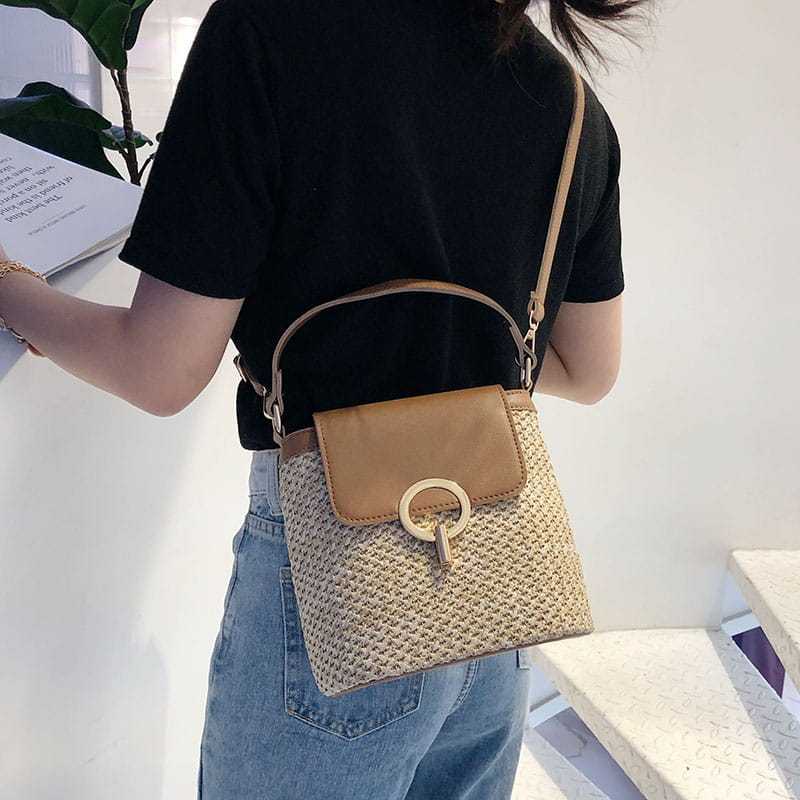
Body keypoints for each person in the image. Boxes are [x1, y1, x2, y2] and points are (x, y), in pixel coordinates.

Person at [0, 0, 643, 796]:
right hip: (495, 595)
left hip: (337, 580)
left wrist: (11, 286)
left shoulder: (268, 31)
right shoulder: (566, 99)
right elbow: (588, 368)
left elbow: (159, 370)